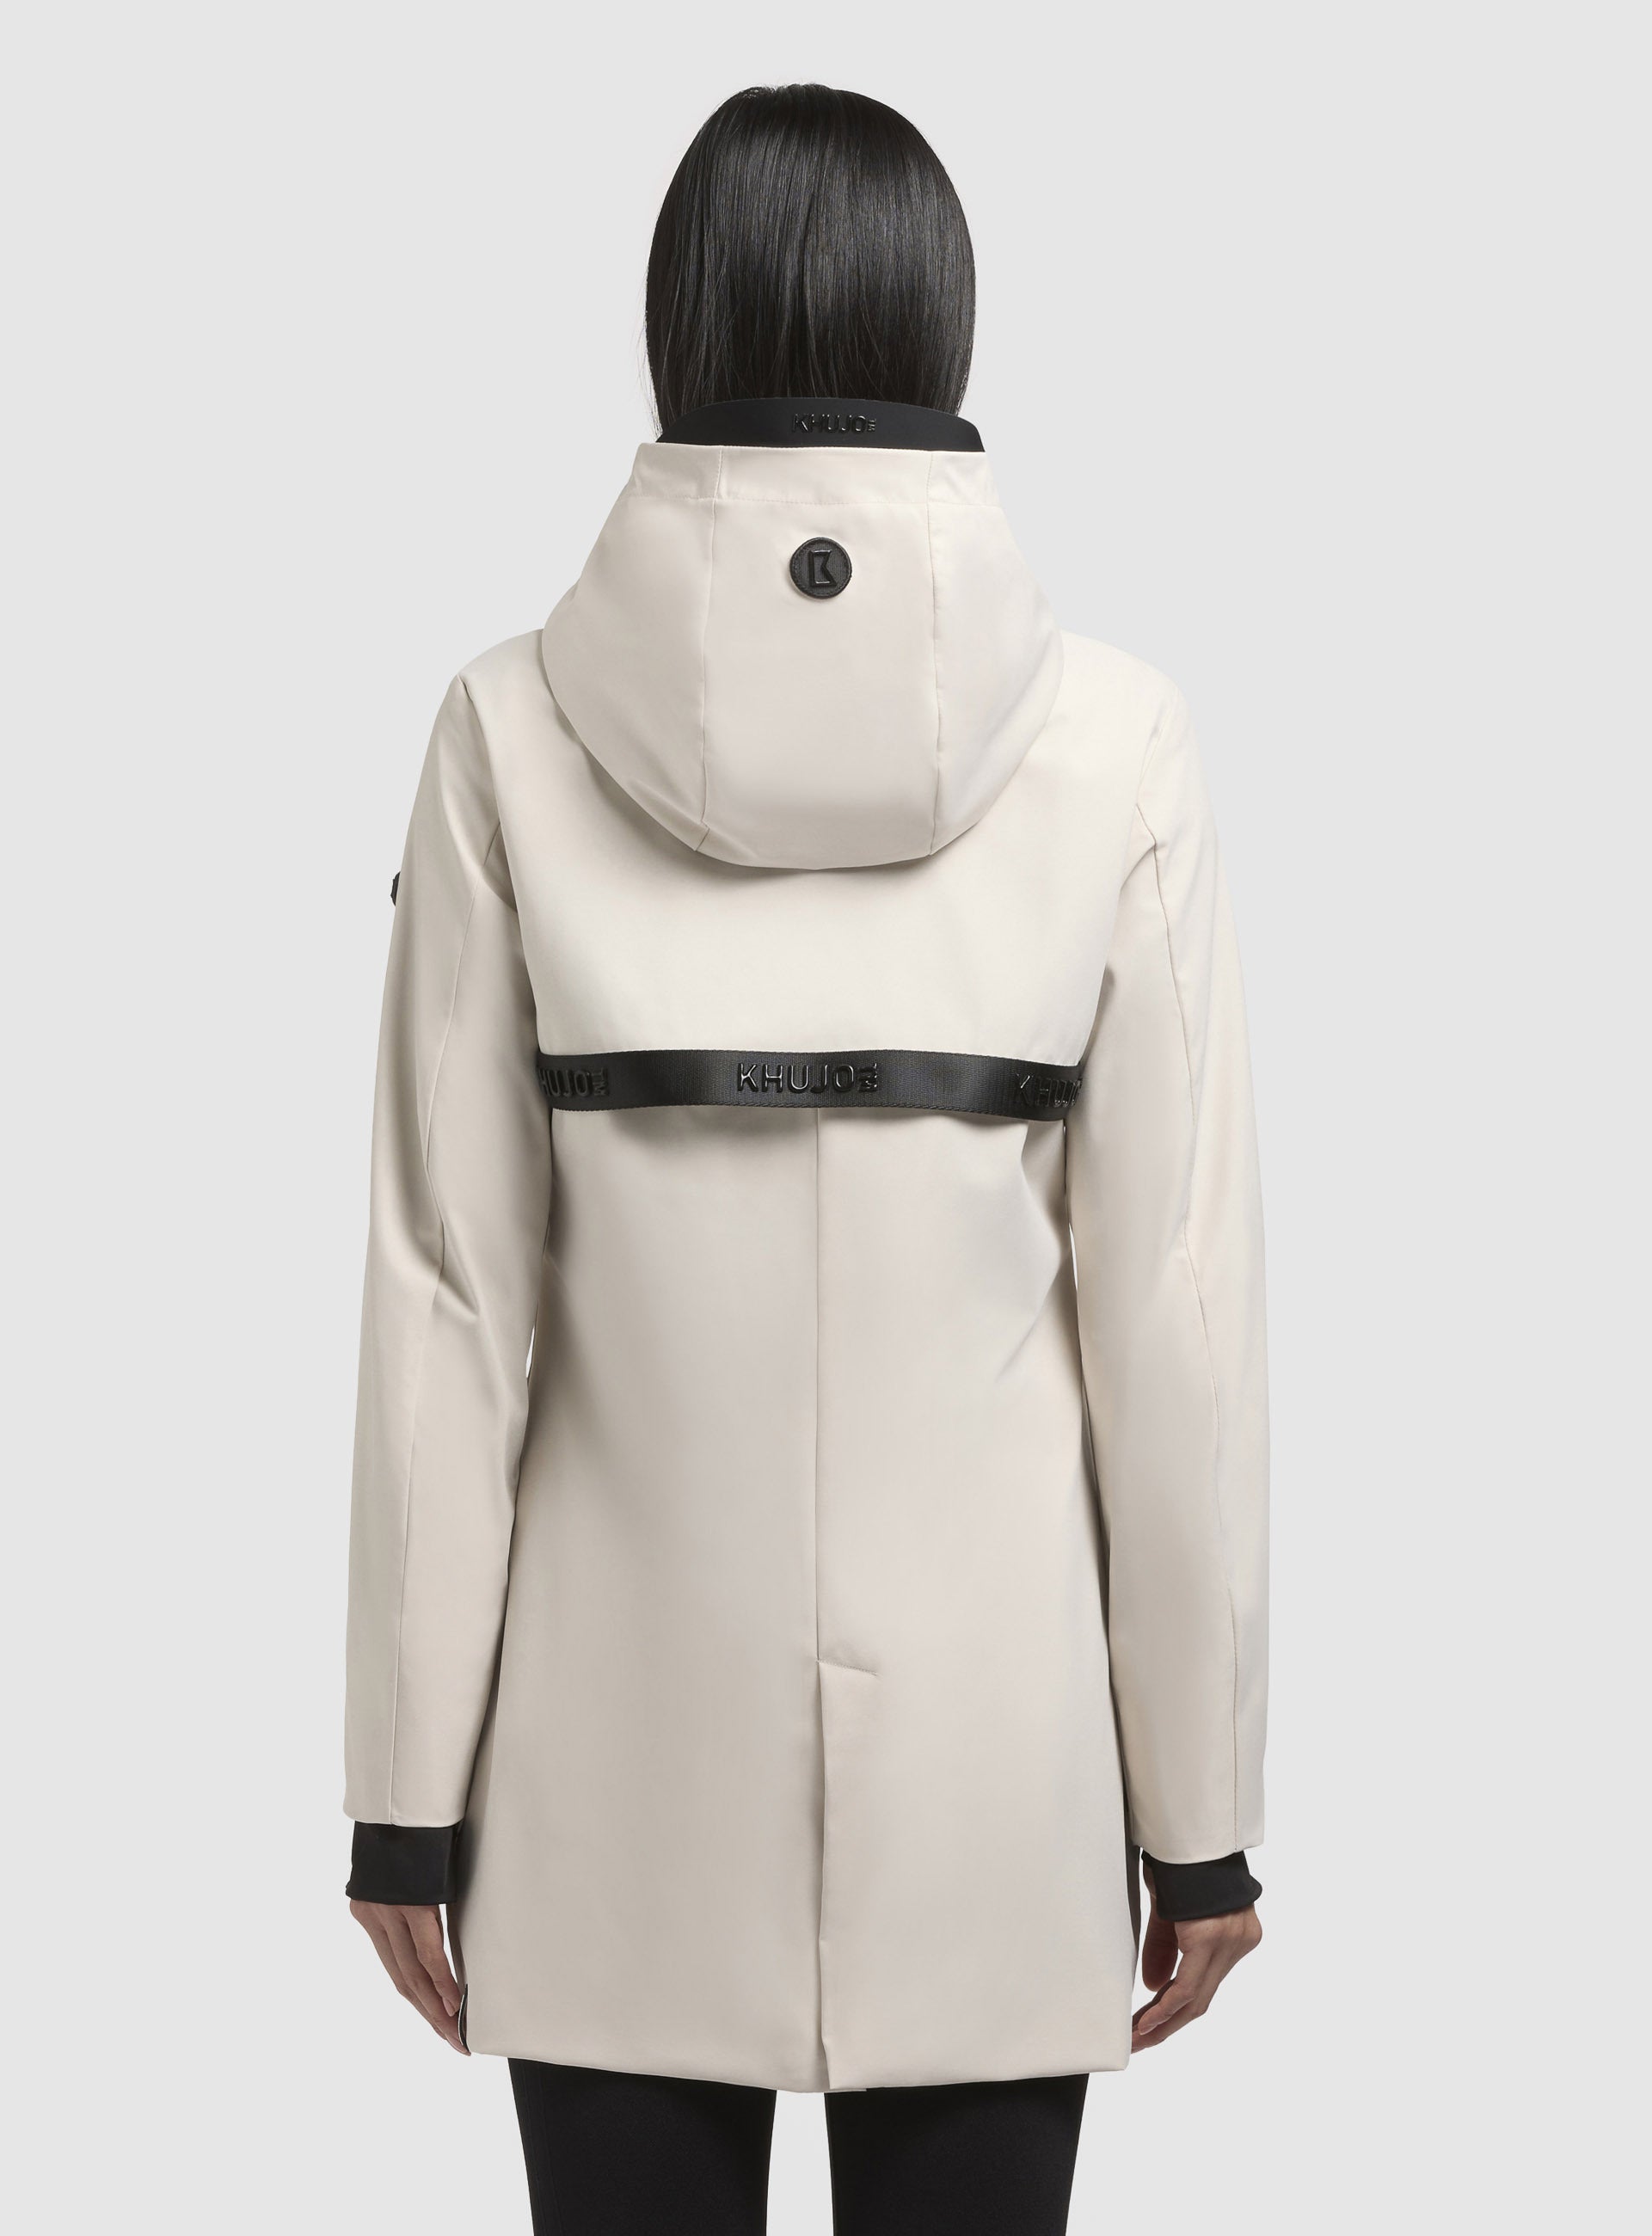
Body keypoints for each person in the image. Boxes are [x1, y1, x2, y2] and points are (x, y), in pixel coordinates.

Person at [344, 82, 1268, 2236]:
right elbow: (1175, 1322)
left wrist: (404, 1799)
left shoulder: (506, 731)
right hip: (1002, 1778)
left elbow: (450, 1304)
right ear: (946, 322)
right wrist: (1202, 1815)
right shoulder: (1118, 745)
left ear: (672, 325)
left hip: (602, 1772)